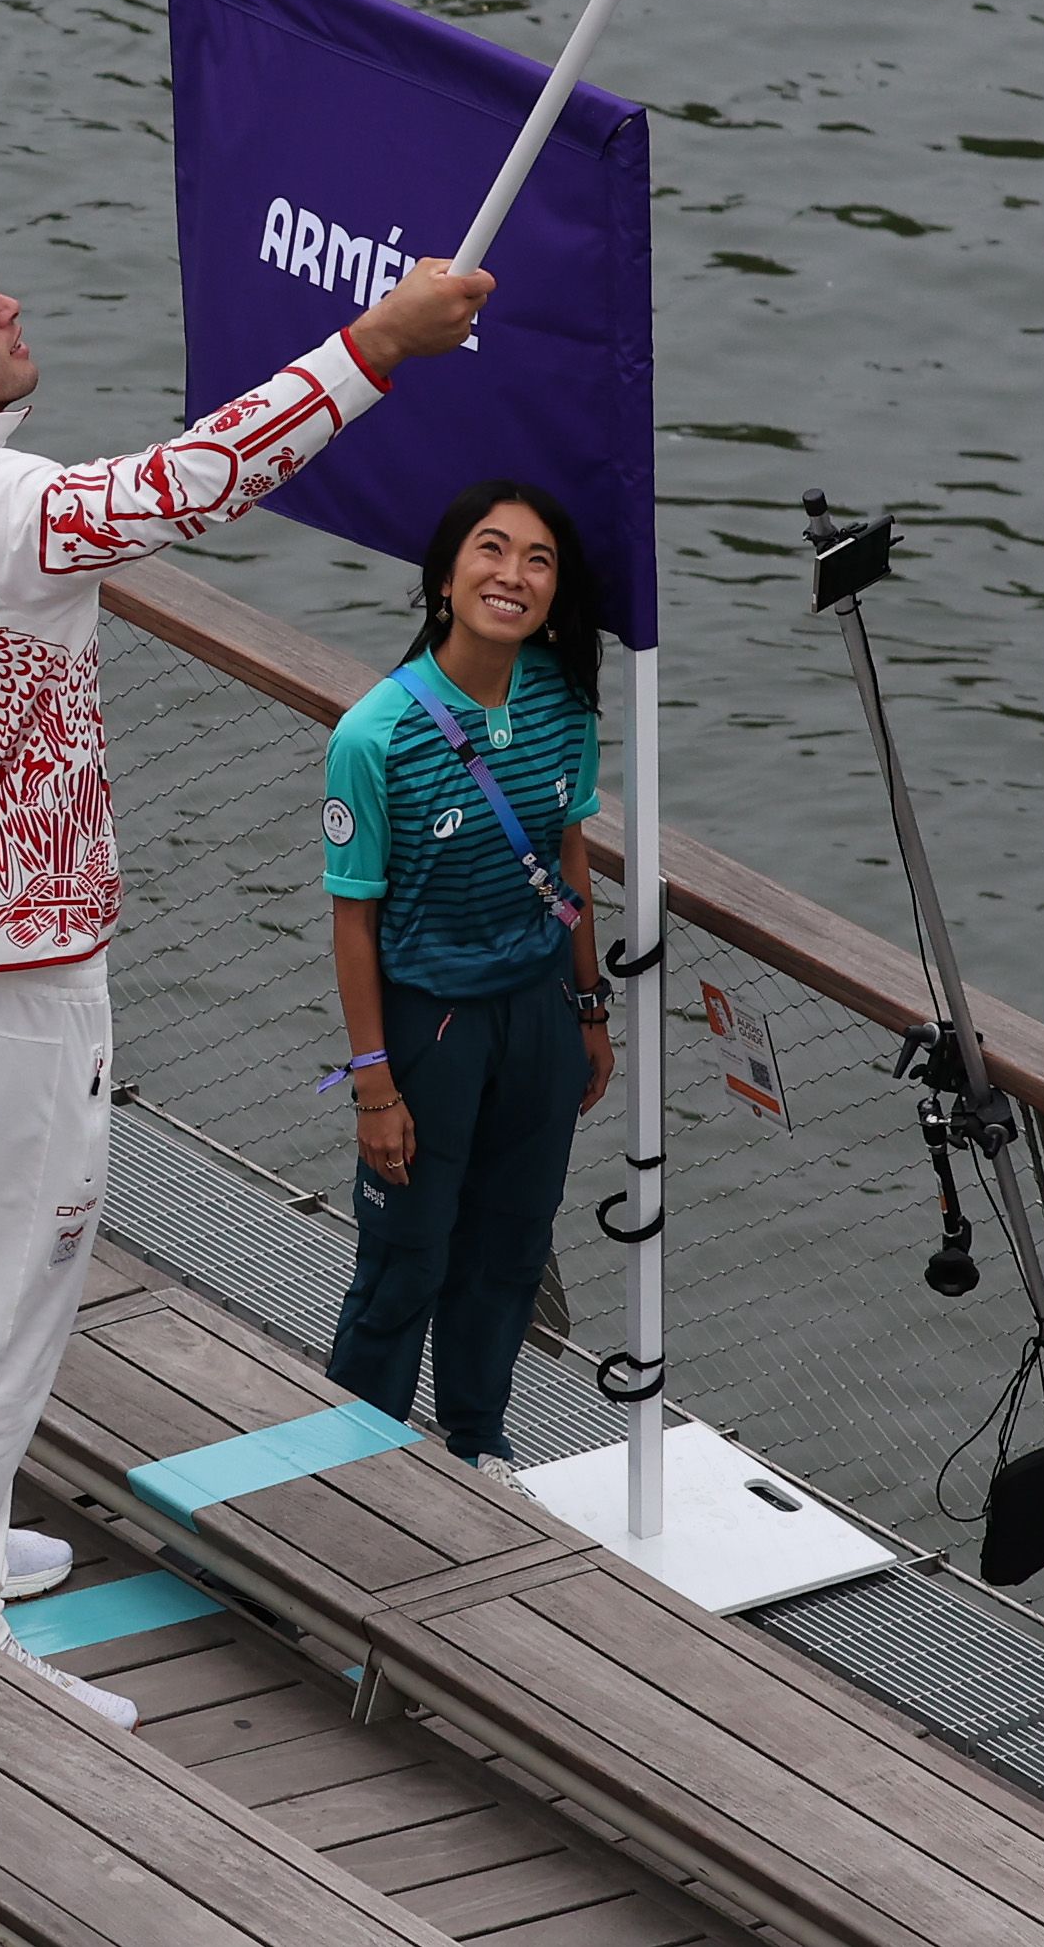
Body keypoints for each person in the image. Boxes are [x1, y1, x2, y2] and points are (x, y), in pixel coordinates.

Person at [0, 234, 494, 1721]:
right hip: (16, 980)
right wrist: (380, 342)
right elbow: (201, 476)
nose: (11, 301)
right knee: (3, 1297)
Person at [318, 480, 616, 1470]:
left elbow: (567, 851)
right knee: (407, 1258)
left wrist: (587, 1004)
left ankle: (476, 1451)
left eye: (538, 559)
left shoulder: (563, 698)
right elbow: (352, 917)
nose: (514, 574)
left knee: (509, 1250)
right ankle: (357, 1466)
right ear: (444, 578)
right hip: (427, 1026)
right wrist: (373, 1082)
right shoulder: (373, 735)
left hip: (534, 1012)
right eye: (492, 550)